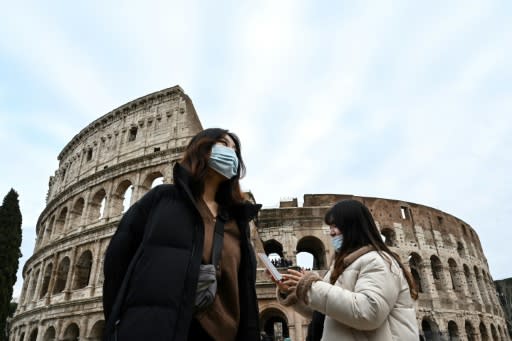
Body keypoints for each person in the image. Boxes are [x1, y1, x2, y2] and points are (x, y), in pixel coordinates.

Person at [102, 128, 262, 341]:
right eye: (224, 144)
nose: (231, 153)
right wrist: (123, 324)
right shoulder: (161, 200)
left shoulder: (237, 221)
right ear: (201, 148)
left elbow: (243, 291)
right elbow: (116, 262)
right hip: (157, 329)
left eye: (235, 150)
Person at [273, 199, 419, 341]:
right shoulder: (341, 266)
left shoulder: (378, 261)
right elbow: (326, 312)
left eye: (335, 226)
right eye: (330, 227)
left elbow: (368, 313)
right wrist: (294, 292)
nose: (331, 233)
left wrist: (311, 287)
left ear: (353, 227)